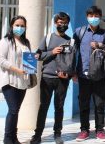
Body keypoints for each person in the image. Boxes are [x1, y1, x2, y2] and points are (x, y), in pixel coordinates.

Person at [30, 12, 74, 144]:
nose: (62, 25)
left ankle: (58, 134)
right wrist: (52, 52)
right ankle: (37, 135)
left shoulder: (70, 41)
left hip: (62, 80)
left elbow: (72, 62)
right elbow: (37, 56)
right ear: (55, 23)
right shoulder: (48, 37)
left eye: (65, 23)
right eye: (60, 22)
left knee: (59, 107)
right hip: (47, 77)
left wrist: (69, 75)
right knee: (43, 106)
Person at [74, 6, 105, 142]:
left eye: (96, 15)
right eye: (91, 15)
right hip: (83, 74)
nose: (94, 18)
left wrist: (100, 46)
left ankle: (100, 130)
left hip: (100, 75)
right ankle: (84, 130)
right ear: (87, 17)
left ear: (100, 17)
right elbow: (73, 52)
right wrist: (73, 72)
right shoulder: (79, 32)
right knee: (83, 103)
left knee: (99, 104)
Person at [0, 15, 33, 144]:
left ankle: (14, 138)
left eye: (22, 26)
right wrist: (17, 70)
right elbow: (0, 60)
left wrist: (31, 66)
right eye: (17, 25)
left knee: (16, 110)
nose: (20, 28)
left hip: (22, 82)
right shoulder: (5, 41)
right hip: (9, 80)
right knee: (12, 109)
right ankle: (7, 139)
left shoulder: (26, 42)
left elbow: (29, 60)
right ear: (12, 26)